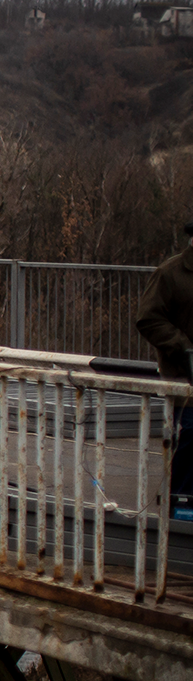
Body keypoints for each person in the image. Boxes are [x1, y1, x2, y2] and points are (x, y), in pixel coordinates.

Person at [136, 222, 193, 520]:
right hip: (184, 378)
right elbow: (148, 318)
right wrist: (182, 347)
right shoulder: (170, 274)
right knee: (191, 439)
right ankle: (180, 511)